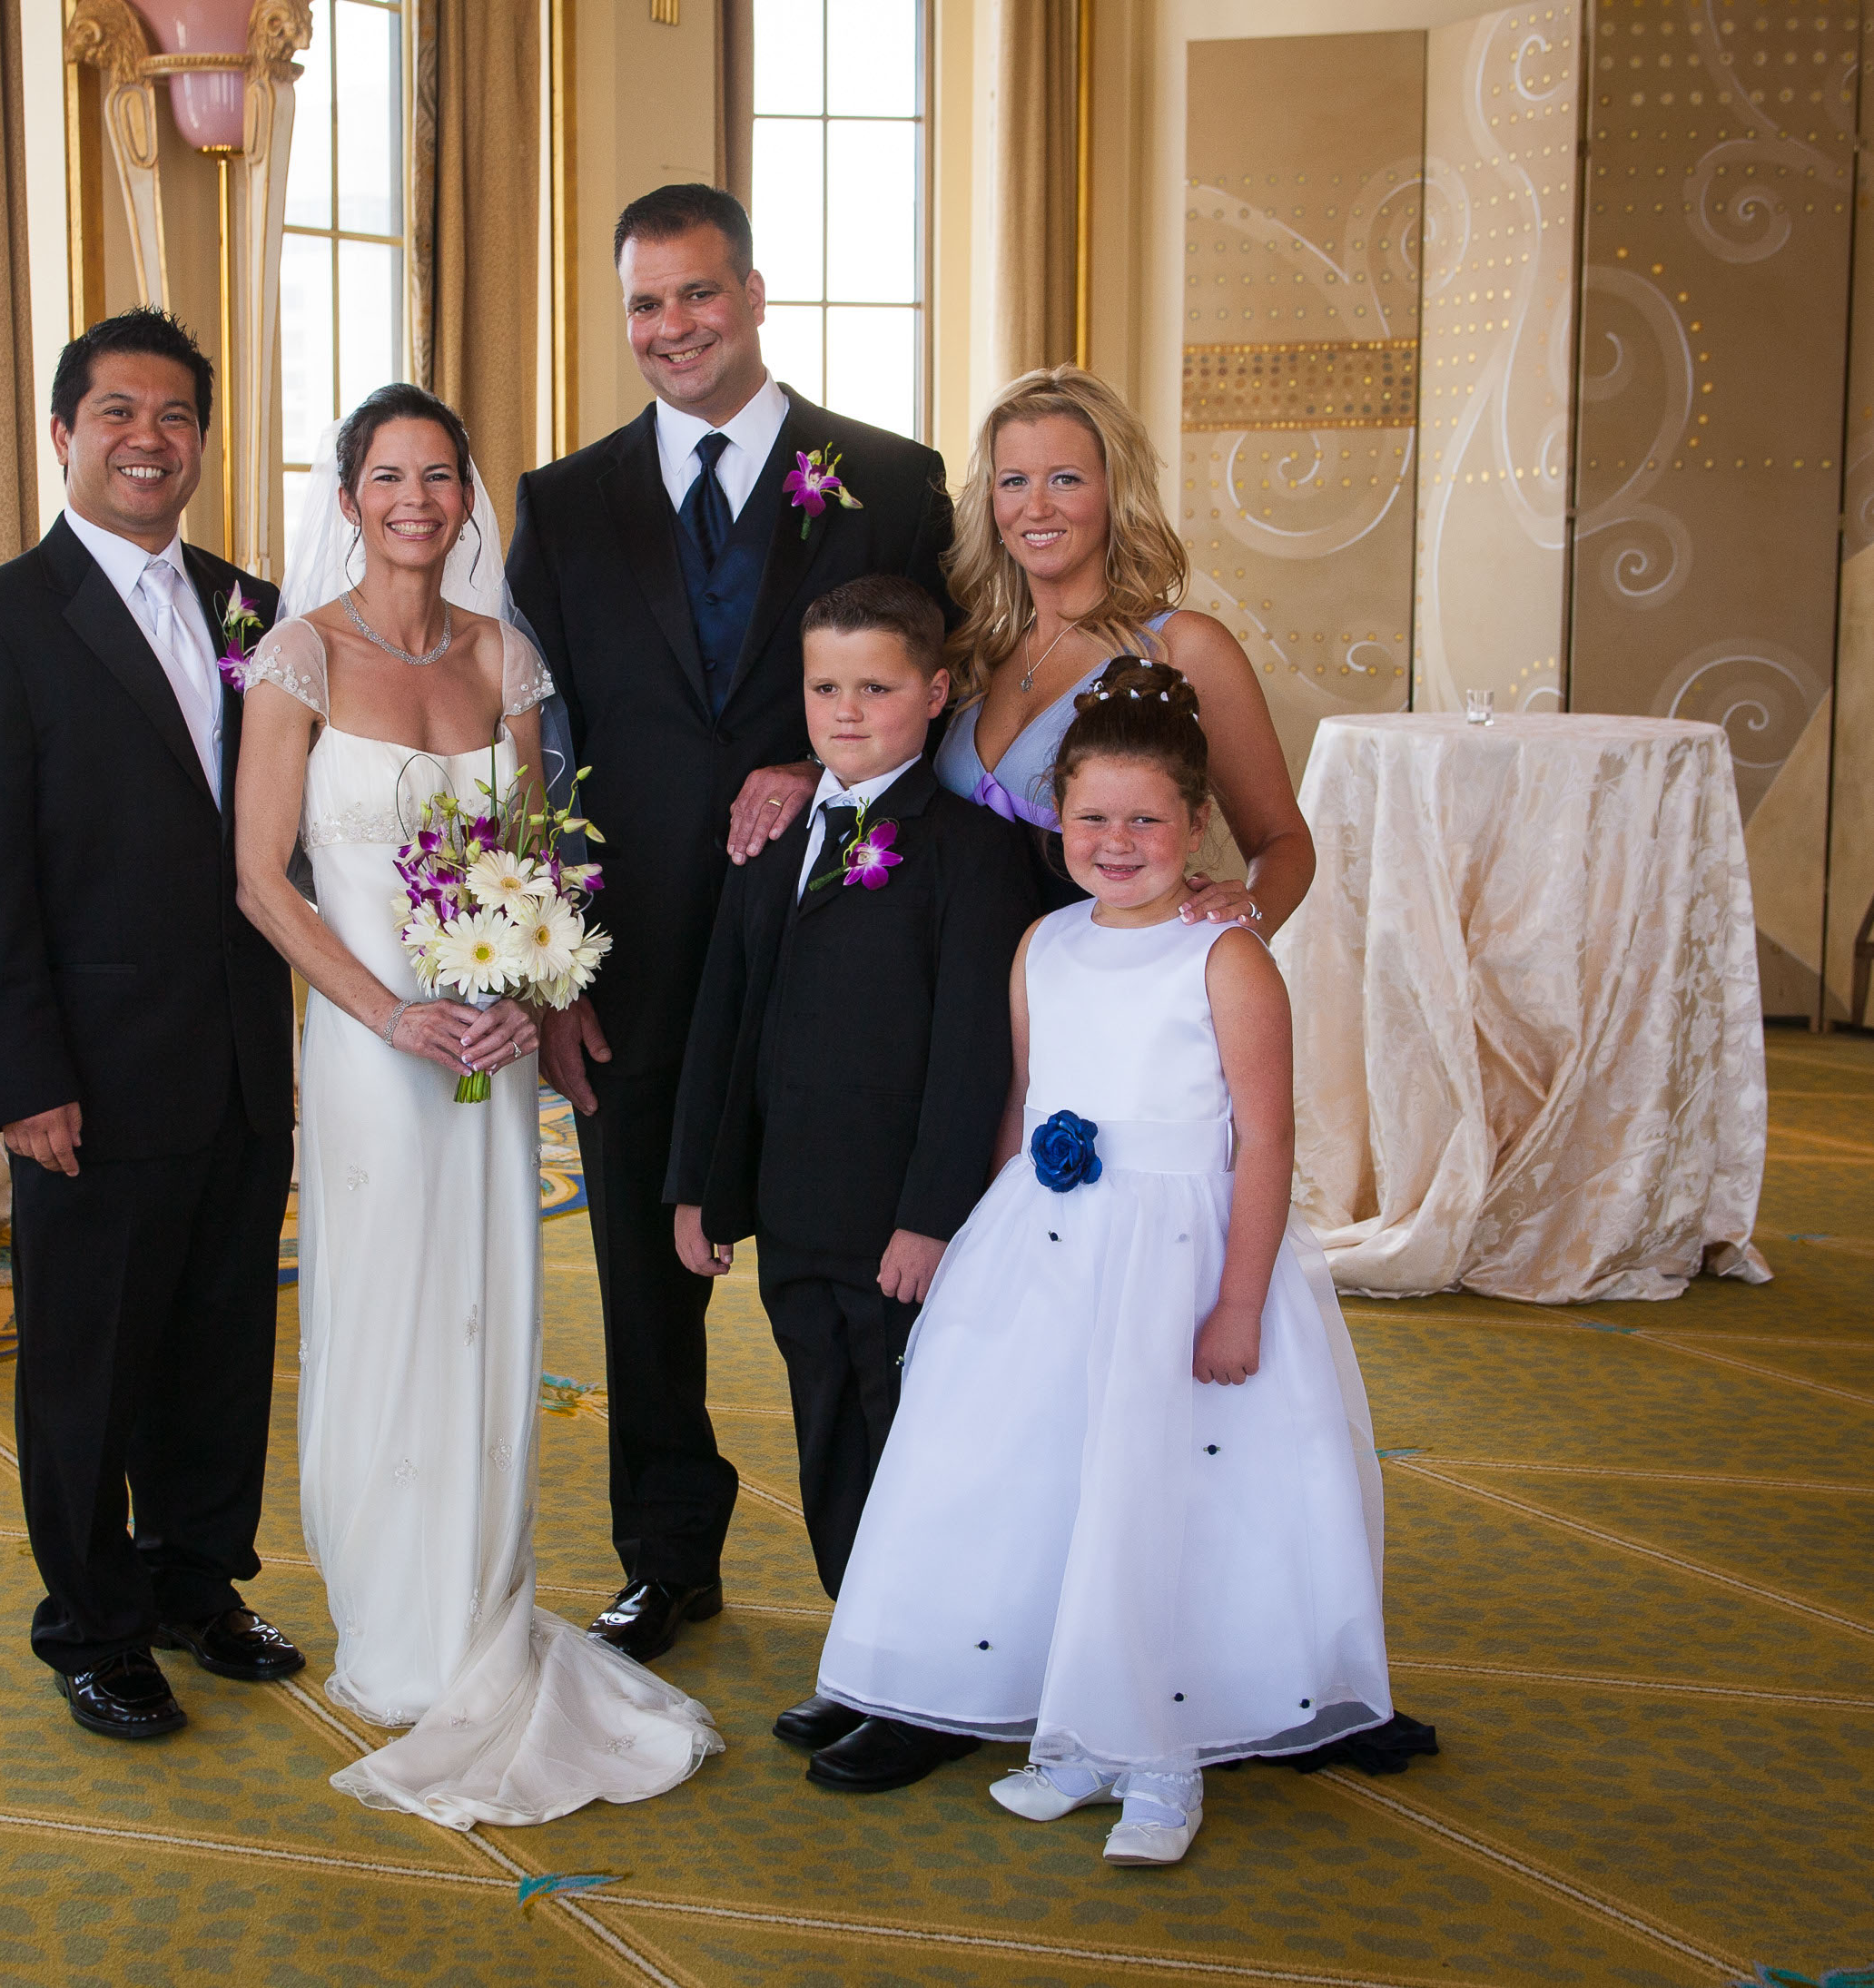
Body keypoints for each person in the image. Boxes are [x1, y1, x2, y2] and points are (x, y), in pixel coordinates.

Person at [232, 381, 722, 1829]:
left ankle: (479, 1592)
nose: (417, 502)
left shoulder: (506, 658)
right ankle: (396, 1618)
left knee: (488, 1308)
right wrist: (387, 1010)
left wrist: (529, 986)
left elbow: (532, 853)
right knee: (387, 1304)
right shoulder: (296, 660)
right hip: (371, 1045)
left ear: (465, 499)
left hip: (490, 1045)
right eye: (388, 476)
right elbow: (264, 877)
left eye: (440, 476)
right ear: (347, 499)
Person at [809, 656, 1391, 1860]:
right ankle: (1074, 1732)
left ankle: (1162, 1758)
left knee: (1160, 1494)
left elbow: (1266, 1139)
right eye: (1091, 817)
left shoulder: (1224, 956)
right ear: (1057, 819)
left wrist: (1237, 1302)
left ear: (1195, 827)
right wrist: (984, 1249)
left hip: (1178, 1262)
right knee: (1059, 1479)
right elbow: (1021, 1103)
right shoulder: (1043, 944)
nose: (1116, 840)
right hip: (1050, 1251)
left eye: (1146, 819)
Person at [509, 183, 956, 1665]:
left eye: (697, 296)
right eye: (644, 304)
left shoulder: (884, 478)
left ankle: (898, 1568)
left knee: (845, 1274)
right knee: (643, 1277)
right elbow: (541, 747)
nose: (671, 328)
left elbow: (929, 711)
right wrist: (550, 963)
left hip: (836, 957)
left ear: (754, 295)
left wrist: (809, 760)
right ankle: (666, 1553)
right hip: (627, 953)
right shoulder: (561, 504)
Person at [0, 309, 304, 1740]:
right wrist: (22, 1078)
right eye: (119, 413)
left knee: (218, 1342)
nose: (151, 439)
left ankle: (196, 1580)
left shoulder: (258, 608)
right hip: (85, 1073)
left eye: (177, 418)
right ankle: (90, 1618)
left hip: (240, 1062)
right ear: (65, 432)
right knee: (90, 1361)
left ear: (203, 440)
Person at [665, 576, 1038, 1761]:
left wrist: (932, 1216)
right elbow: (723, 1020)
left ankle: (932, 1685)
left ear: (933, 694)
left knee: (904, 1438)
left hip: (897, 1223)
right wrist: (697, 1186)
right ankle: (867, 1651)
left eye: (874, 687)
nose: (845, 709)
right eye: (824, 686)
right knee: (824, 1424)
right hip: (795, 1206)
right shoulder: (772, 840)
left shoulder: (975, 855)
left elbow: (975, 1055)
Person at [937, 367, 1312, 930]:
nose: (1035, 507)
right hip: (967, 998)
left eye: (1065, 479)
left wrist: (1247, 919)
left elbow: (1283, 840)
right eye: (1014, 481)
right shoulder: (973, 651)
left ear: (1116, 490)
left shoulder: (1183, 647)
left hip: (1112, 996)